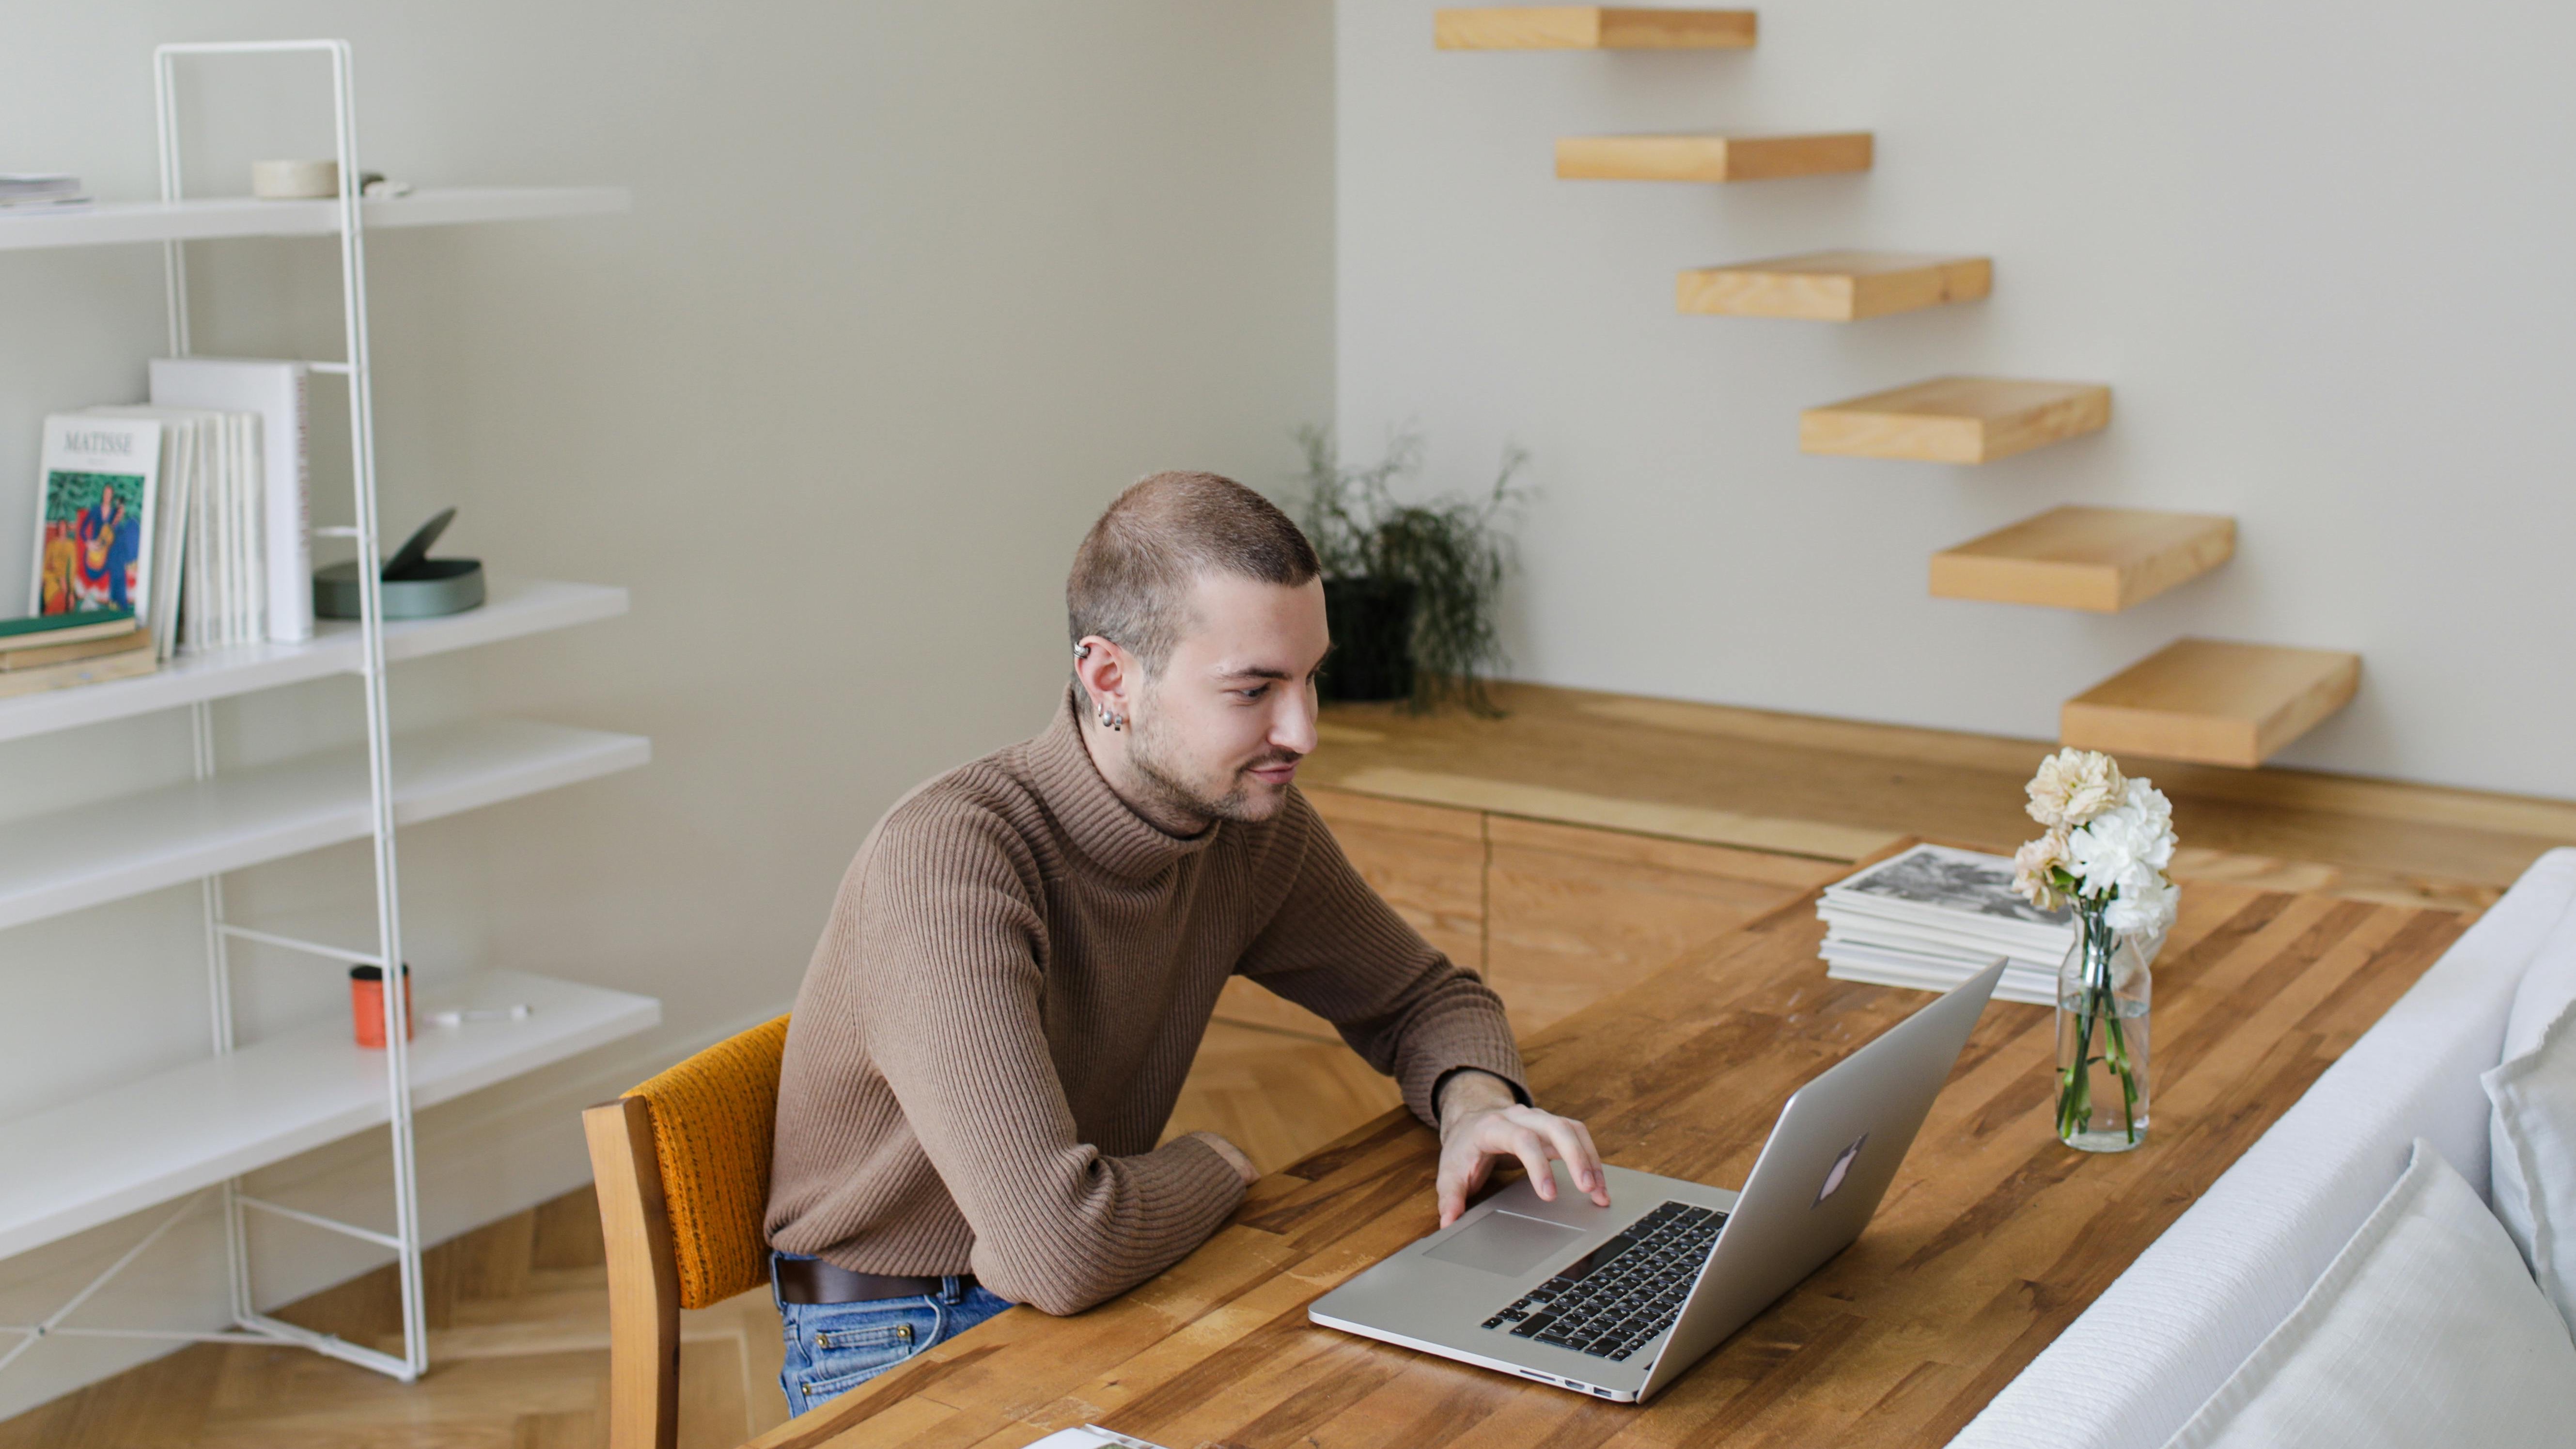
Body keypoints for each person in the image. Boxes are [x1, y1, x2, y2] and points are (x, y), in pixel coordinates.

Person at [764, 471, 1609, 1414]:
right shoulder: (947, 864)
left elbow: (1426, 999)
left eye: (1309, 677)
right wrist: (1215, 1164)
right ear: (1109, 678)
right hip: (902, 1340)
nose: (1304, 730)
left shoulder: (1245, 828)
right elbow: (1059, 1245)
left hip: (1100, 1280)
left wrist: (1473, 1104)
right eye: (1254, 689)